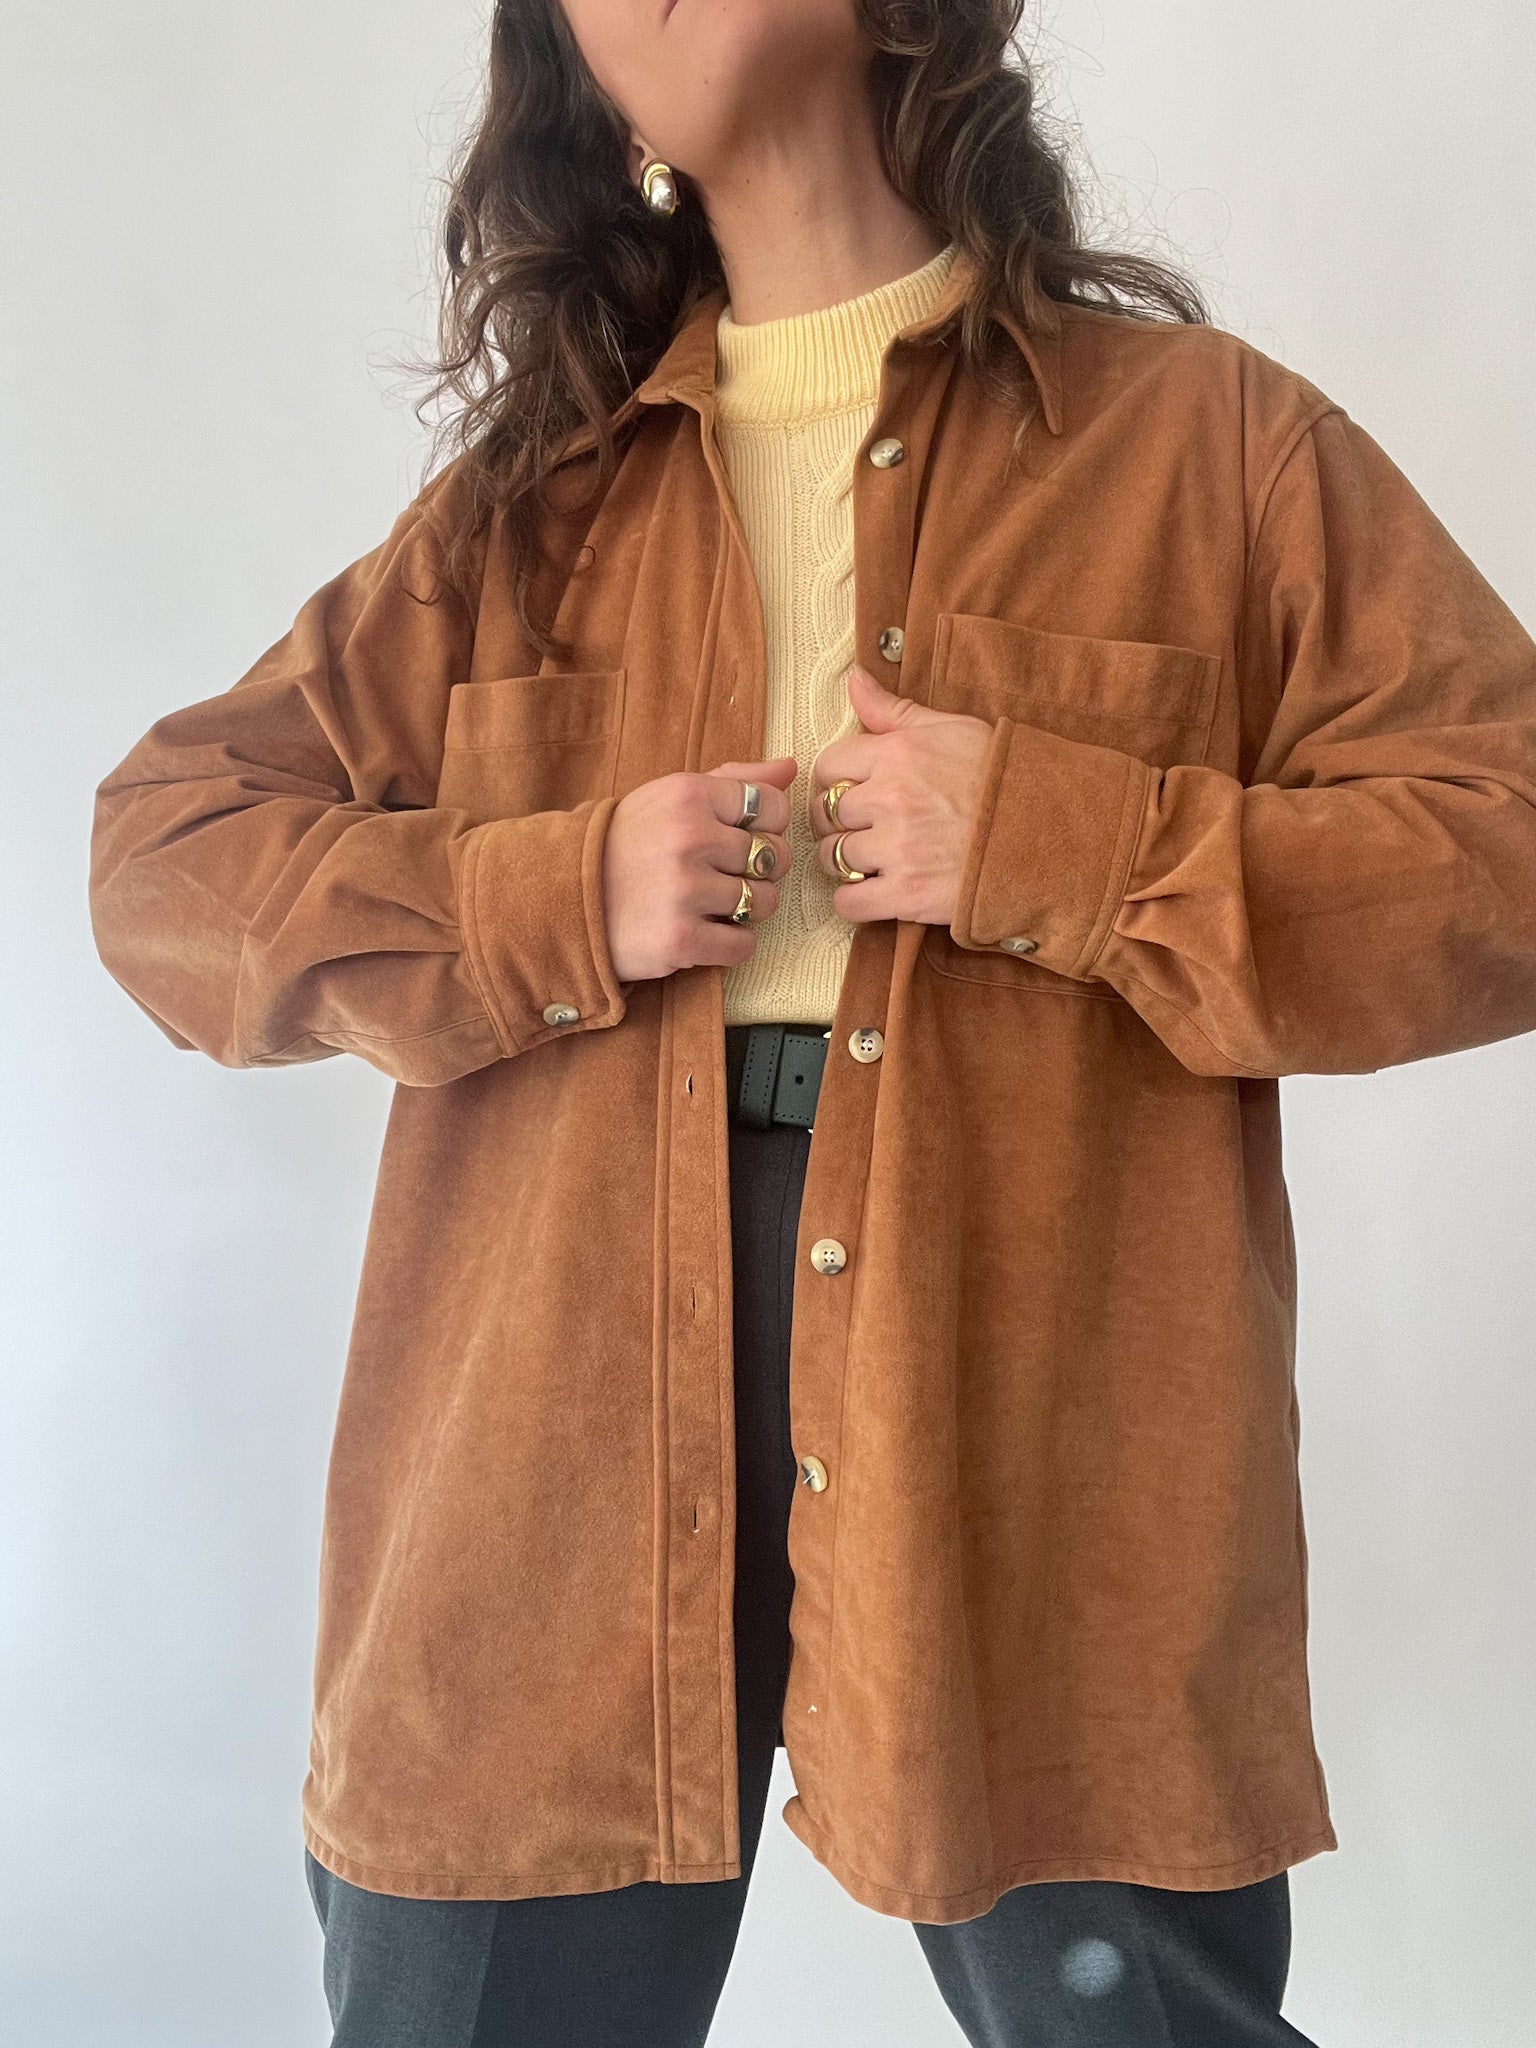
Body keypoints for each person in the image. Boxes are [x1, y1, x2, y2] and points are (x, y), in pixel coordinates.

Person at [87, 2, 1536, 2044]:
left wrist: (1060, 838)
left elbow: (1503, 844)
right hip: (548, 1401)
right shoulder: (525, 519)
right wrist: (552, 893)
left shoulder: (1204, 448)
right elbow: (166, 851)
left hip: (1044, 1383)